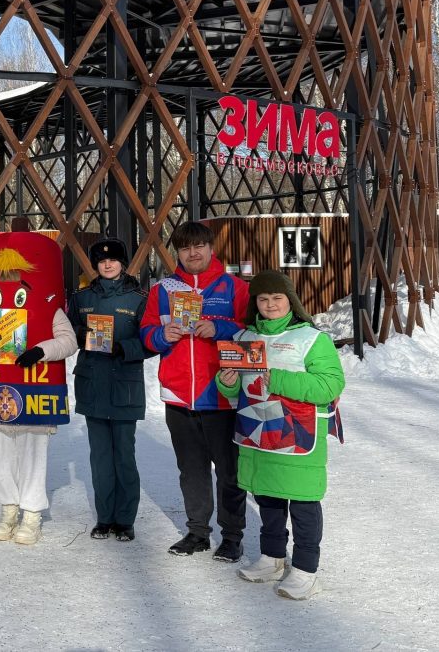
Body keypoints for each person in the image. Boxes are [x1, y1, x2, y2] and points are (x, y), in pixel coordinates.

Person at [216, 270, 345, 601]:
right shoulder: (243, 337)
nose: (270, 305)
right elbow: (236, 391)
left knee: (302, 502)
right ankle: (272, 557)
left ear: (291, 301)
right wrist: (227, 382)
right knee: (268, 497)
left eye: (277, 298)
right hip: (257, 431)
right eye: (263, 299)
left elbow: (330, 385)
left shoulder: (312, 339)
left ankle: (305, 571)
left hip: (297, 432)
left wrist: (277, 378)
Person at [140, 220, 250, 561]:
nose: (193, 253)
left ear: (210, 248)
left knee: (229, 472)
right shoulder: (163, 290)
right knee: (191, 470)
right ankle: (198, 532)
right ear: (178, 253)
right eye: (185, 248)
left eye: (198, 246)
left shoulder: (233, 287)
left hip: (221, 394)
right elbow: (146, 332)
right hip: (179, 395)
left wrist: (219, 329)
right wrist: (161, 336)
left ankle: (231, 536)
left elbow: (251, 331)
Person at [0, 231, 77, 545]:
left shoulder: (51, 310)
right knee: (2, 455)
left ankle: (31, 514)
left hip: (36, 390)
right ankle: (8, 510)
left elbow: (68, 341)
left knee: (33, 455)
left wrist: (40, 351)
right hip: (2, 389)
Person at [69, 237, 152, 542]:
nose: (107, 264)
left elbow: (152, 341)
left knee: (124, 458)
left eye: (113, 260)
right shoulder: (81, 297)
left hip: (124, 386)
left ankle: (125, 520)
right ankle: (105, 518)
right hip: (93, 385)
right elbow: (66, 331)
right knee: (100, 458)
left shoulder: (139, 299)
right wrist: (81, 334)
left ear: (123, 263)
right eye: (102, 261)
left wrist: (123, 347)